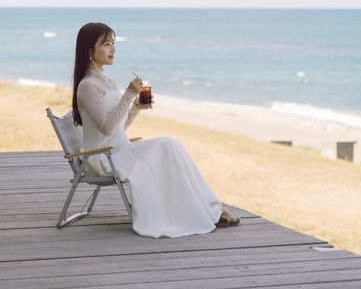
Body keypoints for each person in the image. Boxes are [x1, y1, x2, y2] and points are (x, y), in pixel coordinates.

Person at [72, 22, 240, 238]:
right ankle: (192, 214)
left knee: (171, 144)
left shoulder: (108, 81)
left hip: (118, 149)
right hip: (102, 157)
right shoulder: (87, 86)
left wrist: (135, 108)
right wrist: (129, 94)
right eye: (106, 44)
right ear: (89, 50)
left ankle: (209, 209)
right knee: (165, 145)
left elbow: (118, 128)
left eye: (113, 43)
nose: (113, 49)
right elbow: (106, 129)